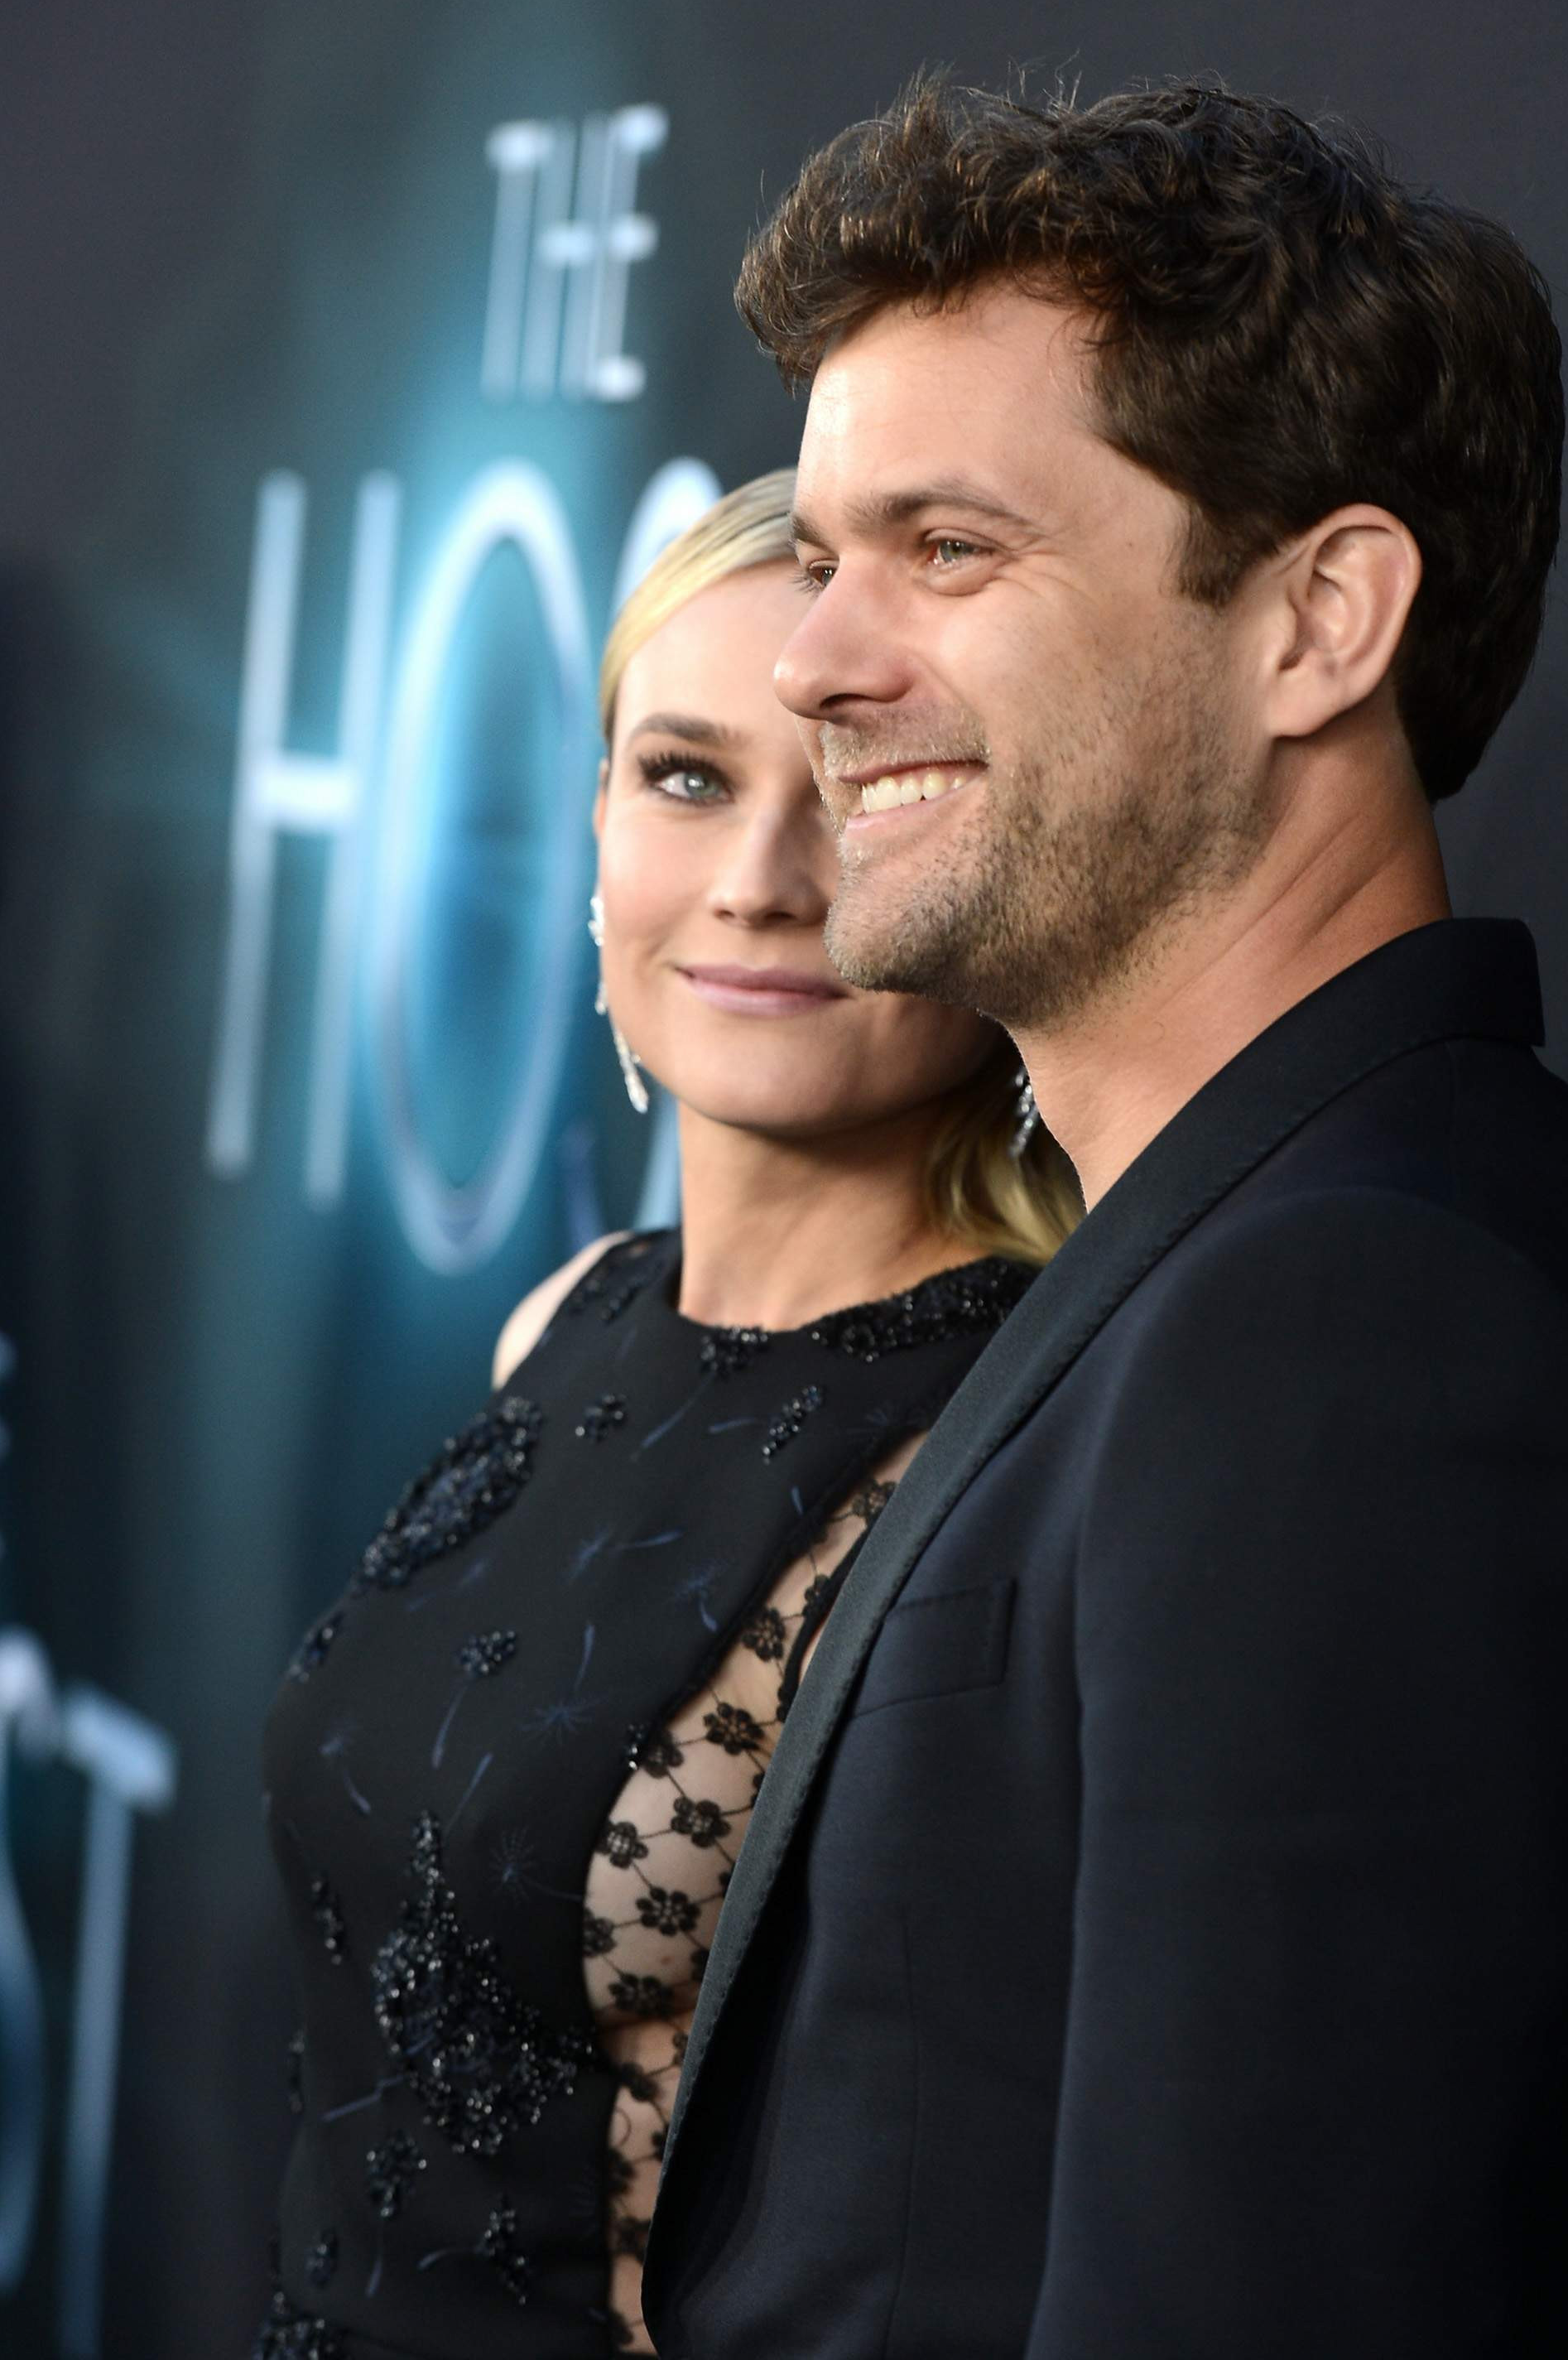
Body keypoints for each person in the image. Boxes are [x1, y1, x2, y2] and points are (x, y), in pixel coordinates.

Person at [642, 84, 1568, 2358]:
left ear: (1318, 619)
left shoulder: (1364, 1330)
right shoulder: (1244, 1254)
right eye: (822, 553)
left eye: (948, 549)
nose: (817, 661)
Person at [256, 469, 1081, 2360]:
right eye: (687, 776)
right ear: (598, 822)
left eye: (859, 789)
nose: (761, 882)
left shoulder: (1026, 1433)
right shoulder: (563, 1323)